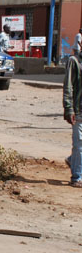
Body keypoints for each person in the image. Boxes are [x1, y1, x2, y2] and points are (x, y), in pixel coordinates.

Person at [63, 49, 82, 188]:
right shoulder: (74, 61)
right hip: (78, 110)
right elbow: (68, 86)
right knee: (79, 145)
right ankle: (77, 176)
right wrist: (69, 108)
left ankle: (72, 160)